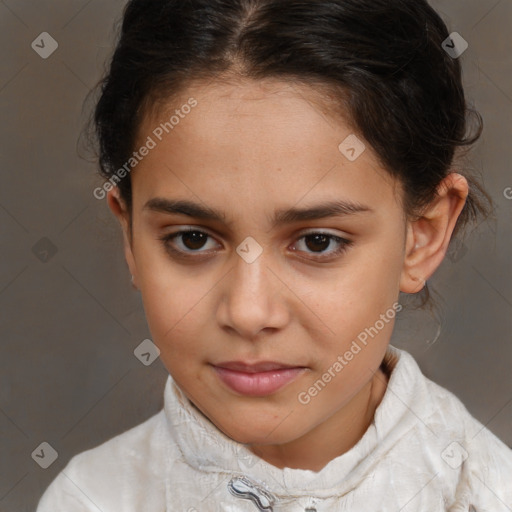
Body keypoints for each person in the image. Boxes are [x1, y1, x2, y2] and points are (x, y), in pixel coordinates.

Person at [37, 0, 512, 510]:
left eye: (317, 242)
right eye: (192, 239)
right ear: (130, 234)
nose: (248, 311)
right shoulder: (88, 499)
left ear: (422, 235)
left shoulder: (487, 494)